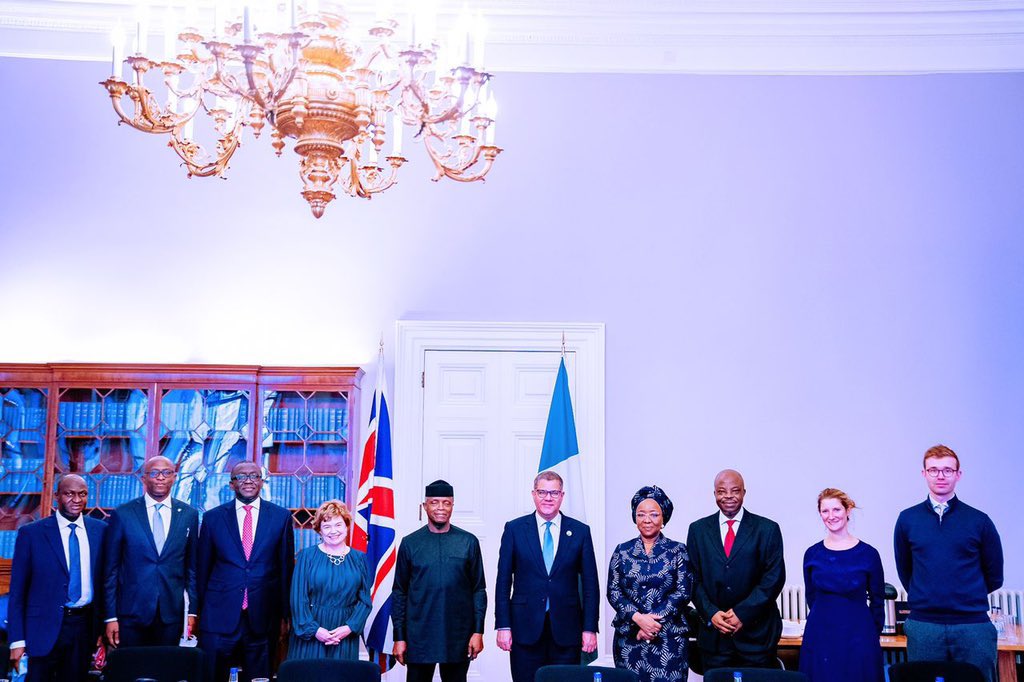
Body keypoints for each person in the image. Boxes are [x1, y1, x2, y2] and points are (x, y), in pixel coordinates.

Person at [894, 445, 1003, 682]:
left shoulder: (979, 521)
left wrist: (964, 594)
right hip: (924, 626)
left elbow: (995, 575)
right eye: (933, 470)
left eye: (947, 470)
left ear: (958, 474)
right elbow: (905, 570)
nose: (940, 476)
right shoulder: (907, 519)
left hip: (972, 626)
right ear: (924, 474)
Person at [495, 470, 600, 682]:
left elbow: (590, 585)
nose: (548, 498)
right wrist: (503, 625)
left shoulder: (580, 531)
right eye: (542, 492)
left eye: (554, 493)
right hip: (524, 629)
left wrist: (589, 628)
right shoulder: (515, 529)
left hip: (567, 630)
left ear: (562, 495)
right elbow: (503, 581)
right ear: (533, 494)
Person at [197, 461, 295, 682]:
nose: (248, 480)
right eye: (241, 476)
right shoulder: (213, 518)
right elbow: (202, 569)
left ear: (261, 481)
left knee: (259, 678)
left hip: (262, 616)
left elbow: (284, 570)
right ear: (232, 484)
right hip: (219, 616)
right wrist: (201, 611)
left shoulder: (280, 518)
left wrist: (284, 616)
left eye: (254, 475)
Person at [8, 474, 107, 682]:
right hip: (41, 629)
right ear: (56, 496)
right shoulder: (31, 534)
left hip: (83, 628)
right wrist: (17, 640)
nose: (77, 500)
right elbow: (18, 592)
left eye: (82, 494)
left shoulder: (101, 531)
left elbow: (106, 581)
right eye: (69, 494)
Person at [686, 469, 785, 670]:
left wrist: (742, 613)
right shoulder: (698, 530)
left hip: (757, 637)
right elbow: (692, 579)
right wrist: (711, 613)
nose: (728, 496)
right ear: (714, 494)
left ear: (744, 493)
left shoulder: (767, 529)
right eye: (722, 491)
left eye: (735, 491)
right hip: (714, 640)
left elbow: (773, 579)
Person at [392, 480, 487, 682]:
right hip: (419, 636)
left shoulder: (468, 542)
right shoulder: (410, 543)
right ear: (425, 506)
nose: (441, 508)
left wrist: (478, 631)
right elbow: (400, 592)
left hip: (458, 635)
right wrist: (399, 636)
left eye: (446, 502)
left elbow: (479, 589)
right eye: (434, 502)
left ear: (453, 506)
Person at [102, 455, 200, 648]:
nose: (160, 477)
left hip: (171, 614)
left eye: (166, 472)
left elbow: (191, 568)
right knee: (132, 672)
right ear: (144, 477)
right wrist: (110, 616)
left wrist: (192, 612)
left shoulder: (189, 514)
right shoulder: (123, 513)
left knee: (164, 671)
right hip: (130, 614)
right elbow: (110, 571)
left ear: (174, 477)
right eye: (154, 472)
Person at [607, 485, 693, 682]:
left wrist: (651, 624)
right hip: (629, 637)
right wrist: (638, 619)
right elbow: (613, 591)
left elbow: (683, 592)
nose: (647, 520)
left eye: (654, 514)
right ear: (634, 517)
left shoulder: (678, 550)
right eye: (641, 514)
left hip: (668, 639)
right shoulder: (622, 551)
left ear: (664, 518)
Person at [799, 488, 884, 682]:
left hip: (858, 637)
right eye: (825, 511)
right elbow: (811, 596)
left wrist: (869, 635)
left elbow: (878, 602)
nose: (831, 516)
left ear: (848, 511)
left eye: (836, 510)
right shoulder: (812, 554)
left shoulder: (869, 554)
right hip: (820, 636)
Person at [289, 500, 371, 660]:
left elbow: (365, 600)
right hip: (311, 633)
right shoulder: (307, 556)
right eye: (327, 526)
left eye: (338, 525)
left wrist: (349, 627)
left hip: (344, 634)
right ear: (319, 530)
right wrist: (315, 630)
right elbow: (298, 599)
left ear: (347, 525)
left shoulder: (359, 558)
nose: (333, 531)